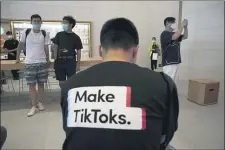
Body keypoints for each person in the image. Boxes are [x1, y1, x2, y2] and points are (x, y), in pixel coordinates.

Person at [60, 18, 179, 150]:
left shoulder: (70, 85)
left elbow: (70, 132)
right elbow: (166, 134)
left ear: (100, 50)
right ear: (135, 51)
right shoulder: (162, 83)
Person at [16, 14, 50, 117]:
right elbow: (20, 45)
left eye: (38, 21)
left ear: (41, 22)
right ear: (31, 22)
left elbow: (46, 47)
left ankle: (40, 102)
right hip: (30, 62)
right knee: (31, 86)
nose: (36, 23)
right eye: (34, 21)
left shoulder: (44, 33)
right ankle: (33, 106)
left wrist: (48, 58)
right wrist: (17, 57)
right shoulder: (26, 32)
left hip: (42, 62)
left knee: (41, 84)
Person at [53, 16, 83, 88]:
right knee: (61, 82)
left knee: (71, 82)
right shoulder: (59, 35)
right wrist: (55, 60)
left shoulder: (76, 37)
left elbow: (79, 51)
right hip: (60, 61)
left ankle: (69, 96)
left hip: (71, 62)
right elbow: (55, 47)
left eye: (65, 23)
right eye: (62, 23)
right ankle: (64, 95)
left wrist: (78, 64)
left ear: (71, 24)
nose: (63, 24)